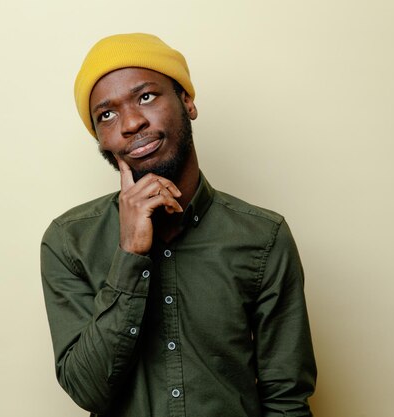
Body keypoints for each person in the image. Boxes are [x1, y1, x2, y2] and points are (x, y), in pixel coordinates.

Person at [41, 33, 317, 417]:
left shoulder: (263, 238)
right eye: (107, 114)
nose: (131, 122)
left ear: (187, 101)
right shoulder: (68, 241)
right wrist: (129, 254)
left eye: (146, 96)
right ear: (101, 140)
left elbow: (286, 400)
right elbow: (88, 391)